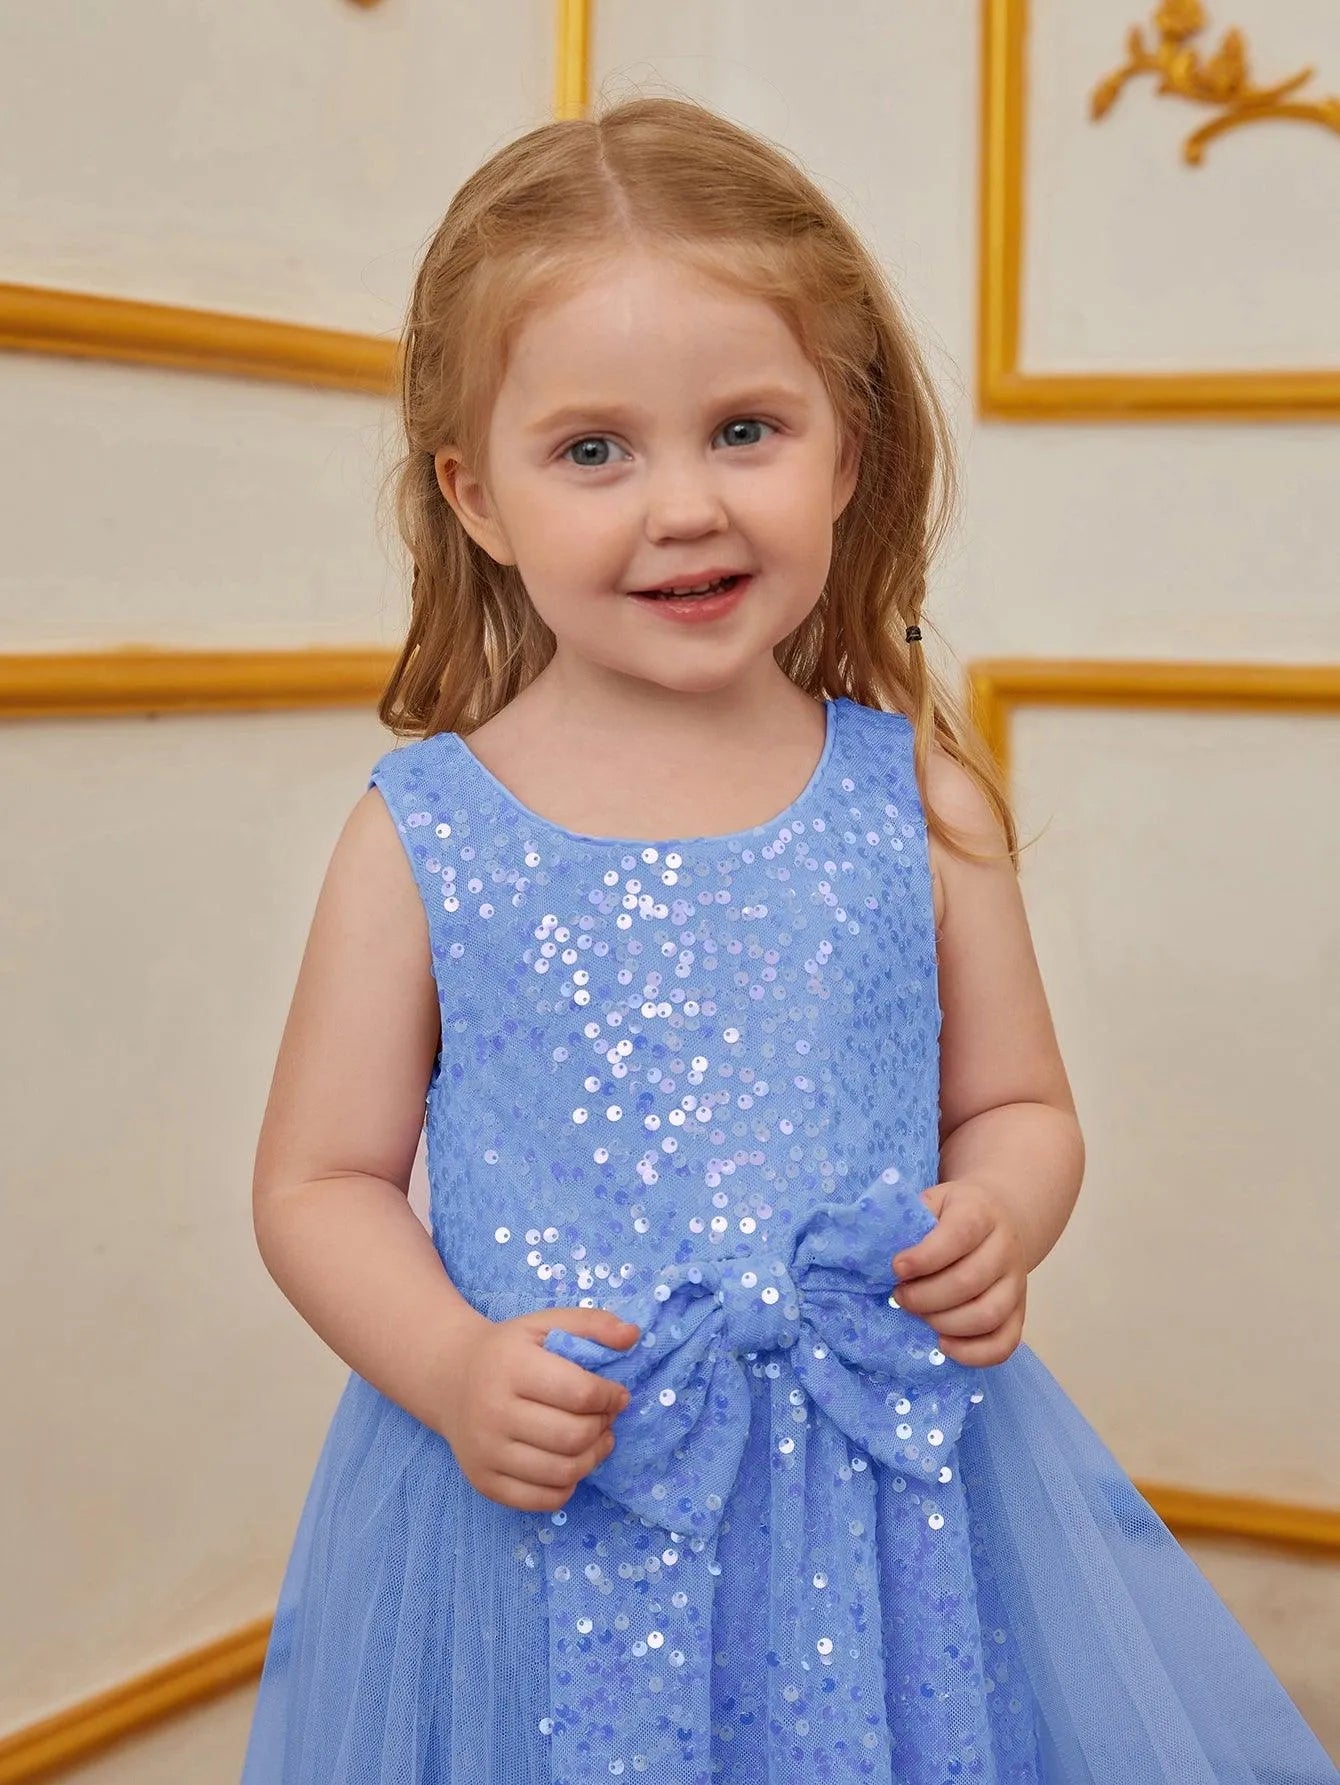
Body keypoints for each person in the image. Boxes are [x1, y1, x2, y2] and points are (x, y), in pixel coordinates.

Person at [240, 93, 1336, 1785]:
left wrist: (1000, 1213)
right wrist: (452, 1365)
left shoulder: (919, 802)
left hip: (882, 1493)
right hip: (566, 1504)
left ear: (847, 448)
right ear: (476, 494)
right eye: (593, 450)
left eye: (744, 429)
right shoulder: (428, 834)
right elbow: (318, 1181)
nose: (683, 505)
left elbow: (1019, 1105)